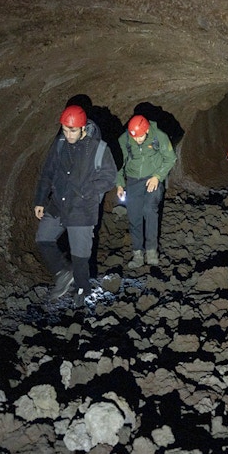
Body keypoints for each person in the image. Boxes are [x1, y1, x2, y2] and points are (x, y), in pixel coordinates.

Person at [34, 105, 117, 307]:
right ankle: (63, 272)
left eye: (72, 130)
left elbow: (109, 178)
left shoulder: (98, 148)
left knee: (80, 256)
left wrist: (86, 192)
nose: (68, 135)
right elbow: (48, 172)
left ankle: (82, 290)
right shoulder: (60, 143)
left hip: (82, 208)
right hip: (58, 204)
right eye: (65, 129)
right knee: (43, 239)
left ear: (82, 129)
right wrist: (40, 200)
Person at [116, 114, 177, 268]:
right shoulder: (124, 139)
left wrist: (158, 176)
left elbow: (170, 158)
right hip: (133, 180)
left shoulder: (159, 136)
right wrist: (119, 184)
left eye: (141, 137)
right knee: (134, 215)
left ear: (147, 130)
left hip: (153, 178)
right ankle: (137, 253)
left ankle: (151, 252)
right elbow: (117, 163)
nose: (137, 140)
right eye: (134, 137)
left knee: (149, 210)